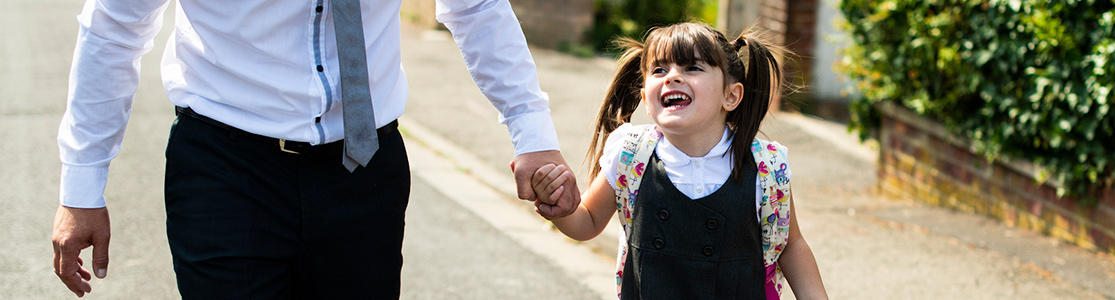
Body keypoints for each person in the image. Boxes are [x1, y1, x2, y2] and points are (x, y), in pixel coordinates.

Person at [50, 0, 580, 298]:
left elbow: (476, 6)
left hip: (365, 169)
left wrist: (532, 132)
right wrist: (82, 184)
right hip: (225, 168)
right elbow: (114, 28)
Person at [529, 22, 829, 299]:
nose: (672, 76)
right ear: (646, 99)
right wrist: (561, 209)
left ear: (731, 96)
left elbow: (791, 245)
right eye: (659, 70)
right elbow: (588, 221)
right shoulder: (631, 154)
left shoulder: (766, 166)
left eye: (692, 67)